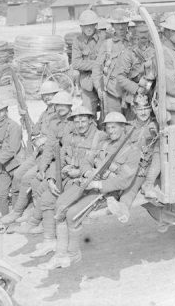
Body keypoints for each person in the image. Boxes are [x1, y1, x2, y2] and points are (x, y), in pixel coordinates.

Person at [40, 111, 139, 269]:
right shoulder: (104, 144)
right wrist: (88, 172)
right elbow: (86, 161)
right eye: (108, 128)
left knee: (72, 214)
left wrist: (98, 185)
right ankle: (59, 254)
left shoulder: (131, 151)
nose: (111, 131)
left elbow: (123, 181)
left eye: (114, 127)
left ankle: (73, 254)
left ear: (123, 128)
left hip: (105, 190)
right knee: (60, 205)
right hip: (88, 181)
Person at [0, 81, 62, 225]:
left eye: (50, 95)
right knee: (18, 174)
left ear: (56, 95)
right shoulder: (45, 113)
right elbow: (34, 130)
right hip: (39, 152)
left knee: (29, 177)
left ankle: (30, 211)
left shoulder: (60, 112)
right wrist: (25, 117)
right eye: (44, 96)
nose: (47, 98)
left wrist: (45, 140)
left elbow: (60, 135)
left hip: (51, 154)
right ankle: (21, 209)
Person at [106, 95, 159, 222]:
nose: (144, 112)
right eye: (140, 109)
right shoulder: (129, 126)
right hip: (126, 163)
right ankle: (111, 198)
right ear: (134, 110)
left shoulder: (154, 126)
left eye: (146, 108)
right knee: (113, 178)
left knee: (131, 188)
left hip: (142, 165)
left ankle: (123, 210)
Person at [95, 8, 133, 115]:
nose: (120, 27)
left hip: (130, 91)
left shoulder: (133, 44)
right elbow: (97, 69)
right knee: (113, 123)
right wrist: (99, 87)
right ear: (112, 25)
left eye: (123, 23)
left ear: (127, 24)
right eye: (117, 24)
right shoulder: (107, 44)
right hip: (111, 91)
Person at [71, 10, 102, 113]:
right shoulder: (77, 41)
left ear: (95, 25)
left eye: (91, 25)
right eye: (85, 26)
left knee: (107, 110)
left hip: (103, 80)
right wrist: (95, 65)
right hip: (87, 82)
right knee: (88, 112)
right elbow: (76, 63)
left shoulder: (103, 38)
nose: (89, 28)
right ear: (81, 27)